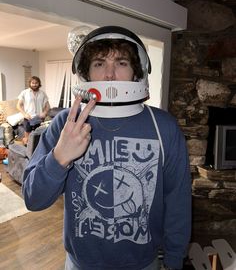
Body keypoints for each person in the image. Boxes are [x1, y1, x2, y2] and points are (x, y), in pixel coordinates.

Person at [22, 26, 192, 270]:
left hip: (144, 264)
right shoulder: (66, 122)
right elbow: (33, 199)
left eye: (121, 62)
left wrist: (175, 261)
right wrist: (60, 157)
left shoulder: (163, 127)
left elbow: (177, 201)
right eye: (100, 63)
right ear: (86, 72)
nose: (110, 75)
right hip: (80, 264)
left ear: (137, 72)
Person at [17, 76, 50, 145]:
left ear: (39, 83)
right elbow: (18, 105)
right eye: (33, 83)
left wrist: (45, 113)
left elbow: (47, 106)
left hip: (39, 118)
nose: (34, 84)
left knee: (38, 136)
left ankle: (36, 149)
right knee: (27, 136)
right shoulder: (24, 92)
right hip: (28, 118)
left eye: (36, 83)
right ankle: (26, 150)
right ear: (30, 83)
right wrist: (25, 114)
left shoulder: (42, 93)